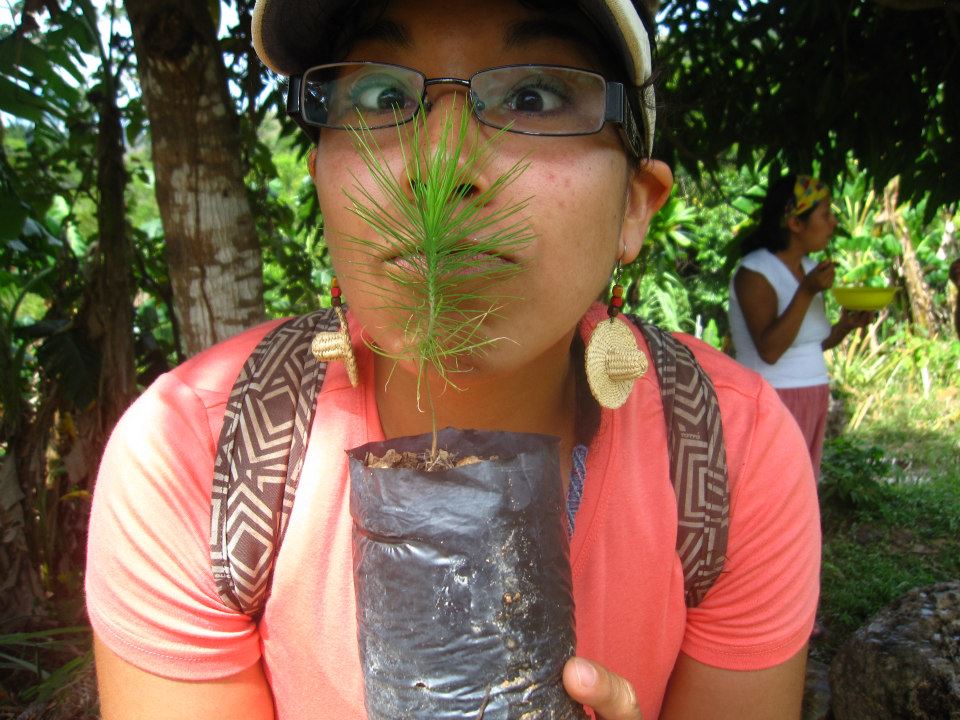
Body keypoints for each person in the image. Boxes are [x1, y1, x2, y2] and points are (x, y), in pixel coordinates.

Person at [86, 1, 821, 718]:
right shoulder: (196, 456)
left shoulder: (731, 456)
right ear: (321, 180)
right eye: (381, 97)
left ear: (635, 205)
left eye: (533, 97)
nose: (441, 165)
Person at [728, 174, 872, 480]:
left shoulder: (808, 268)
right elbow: (770, 350)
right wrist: (806, 291)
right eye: (826, 215)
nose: (834, 223)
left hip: (812, 395)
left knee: (802, 489)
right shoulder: (755, 272)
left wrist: (844, 327)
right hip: (774, 398)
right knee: (773, 489)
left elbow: (808, 345)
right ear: (795, 223)